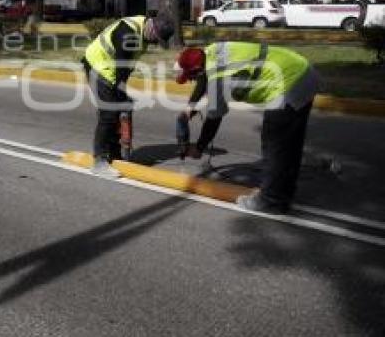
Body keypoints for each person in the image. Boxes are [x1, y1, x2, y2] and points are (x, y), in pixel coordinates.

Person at [175, 42, 320, 214]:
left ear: (199, 69)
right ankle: (284, 191)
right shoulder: (211, 51)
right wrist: (190, 106)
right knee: (290, 143)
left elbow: (214, 118)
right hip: (301, 71)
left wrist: (199, 148)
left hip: (288, 82)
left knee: (275, 143)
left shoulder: (217, 79)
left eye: (190, 76)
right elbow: (203, 78)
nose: (191, 80)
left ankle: (270, 201)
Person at [82, 14, 175, 176]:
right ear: (152, 30)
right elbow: (120, 70)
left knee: (120, 108)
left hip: (112, 69)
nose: (155, 43)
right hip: (98, 67)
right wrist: (123, 93)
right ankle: (100, 161)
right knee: (109, 114)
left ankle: (115, 154)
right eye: (156, 39)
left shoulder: (143, 32)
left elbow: (126, 67)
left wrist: (124, 95)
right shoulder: (128, 35)